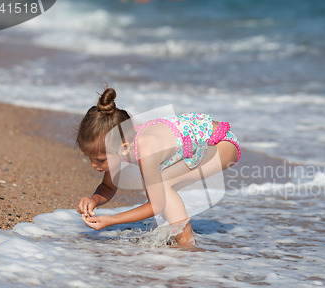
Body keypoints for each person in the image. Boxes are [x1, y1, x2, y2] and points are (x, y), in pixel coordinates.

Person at [75, 87, 241, 246]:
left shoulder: (145, 148)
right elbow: (108, 186)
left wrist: (112, 220)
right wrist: (93, 200)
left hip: (221, 144)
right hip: (199, 146)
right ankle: (177, 235)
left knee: (162, 185)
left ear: (124, 147)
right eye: (90, 158)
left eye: (100, 159)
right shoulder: (118, 144)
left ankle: (187, 244)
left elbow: (156, 205)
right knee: (157, 186)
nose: (93, 164)